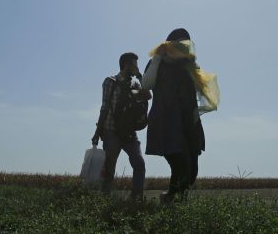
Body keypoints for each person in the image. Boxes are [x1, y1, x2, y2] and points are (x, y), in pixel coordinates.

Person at [142, 28, 220, 204]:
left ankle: (173, 199)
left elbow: (198, 90)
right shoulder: (157, 61)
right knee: (181, 164)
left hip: (189, 121)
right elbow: (146, 85)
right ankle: (172, 201)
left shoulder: (188, 65)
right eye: (179, 43)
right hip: (166, 120)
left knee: (192, 170)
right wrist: (157, 58)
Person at [91, 52, 149, 201]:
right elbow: (104, 107)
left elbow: (147, 95)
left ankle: (136, 200)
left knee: (139, 164)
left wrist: (140, 76)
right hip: (111, 131)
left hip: (129, 132)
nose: (136, 67)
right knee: (109, 170)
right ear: (127, 64)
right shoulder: (110, 81)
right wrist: (97, 132)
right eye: (135, 64)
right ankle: (104, 201)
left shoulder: (135, 84)